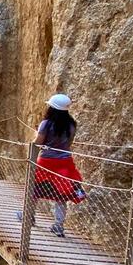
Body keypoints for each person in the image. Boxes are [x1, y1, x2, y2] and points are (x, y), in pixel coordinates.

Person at [30, 93, 86, 237]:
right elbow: (69, 143)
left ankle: (29, 216)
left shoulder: (46, 123)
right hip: (65, 164)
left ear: (52, 108)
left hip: (46, 162)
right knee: (61, 195)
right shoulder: (72, 124)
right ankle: (58, 226)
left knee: (34, 190)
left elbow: (38, 142)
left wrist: (35, 139)